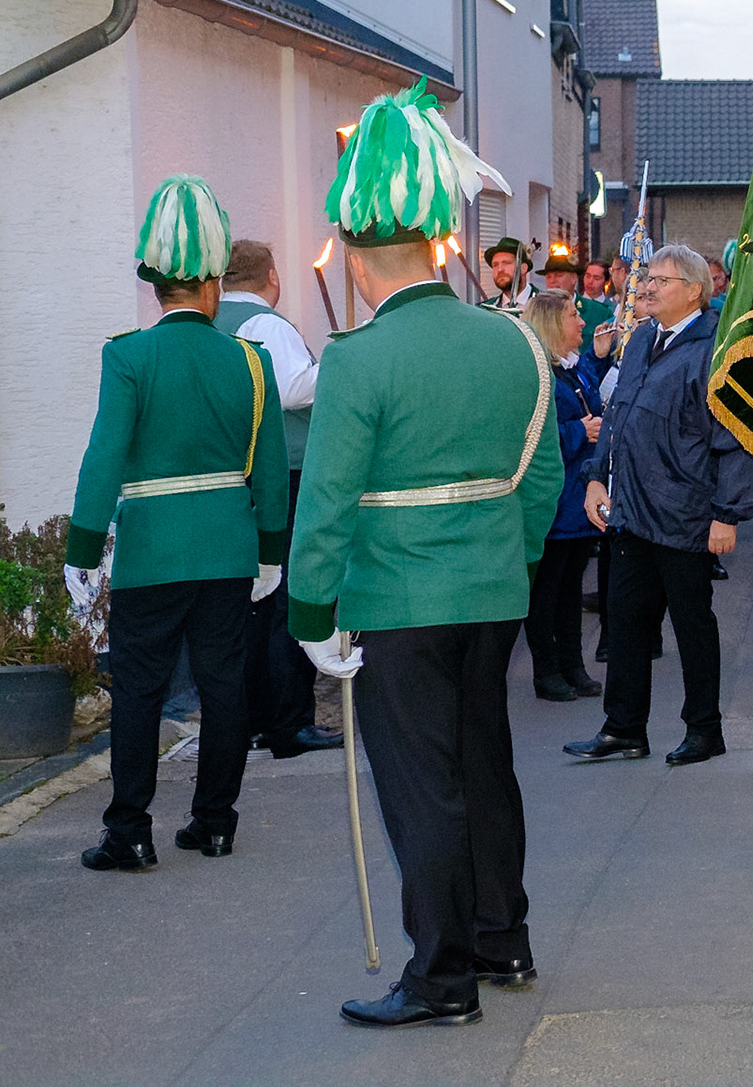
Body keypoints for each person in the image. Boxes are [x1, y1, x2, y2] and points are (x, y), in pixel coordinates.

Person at [289, 80, 561, 1029]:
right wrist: (511, 560)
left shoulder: (358, 358)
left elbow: (324, 503)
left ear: (360, 257)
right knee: (485, 764)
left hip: (399, 598)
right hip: (492, 591)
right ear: (440, 244)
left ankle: (442, 978)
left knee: (421, 787)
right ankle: (503, 937)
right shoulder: (512, 341)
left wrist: (311, 615)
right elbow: (541, 475)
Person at [65, 176, 289, 872]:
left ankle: (130, 830)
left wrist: (82, 546)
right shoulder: (251, 360)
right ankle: (215, 821)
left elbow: (105, 455)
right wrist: (272, 552)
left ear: (156, 287)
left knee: (138, 688)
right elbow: (272, 471)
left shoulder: (127, 355)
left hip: (152, 550)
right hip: (228, 547)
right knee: (224, 685)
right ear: (215, 281)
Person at [568, 246, 753, 767]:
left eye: (661, 280)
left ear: (695, 291)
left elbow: (736, 437)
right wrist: (596, 480)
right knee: (626, 621)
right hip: (631, 511)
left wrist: (726, 514)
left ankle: (705, 730)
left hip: (685, 516)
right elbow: (615, 417)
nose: (648, 287)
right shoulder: (639, 341)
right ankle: (623, 729)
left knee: (691, 625)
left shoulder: (714, 349)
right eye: (647, 278)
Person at [216, 239, 341, 759]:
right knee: (287, 598)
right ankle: (288, 723)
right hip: (284, 474)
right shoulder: (267, 325)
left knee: (250, 606)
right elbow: (290, 388)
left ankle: (253, 718)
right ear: (271, 275)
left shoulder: (211, 320)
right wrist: (339, 363)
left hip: (234, 478)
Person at [520, 290, 612, 703]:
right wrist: (580, 432)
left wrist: (597, 355)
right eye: (573, 315)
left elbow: (588, 397)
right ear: (553, 323)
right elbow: (532, 435)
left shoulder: (573, 369)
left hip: (579, 498)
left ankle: (574, 664)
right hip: (553, 502)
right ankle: (547, 669)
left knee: (572, 586)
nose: (581, 321)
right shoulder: (537, 375)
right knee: (547, 591)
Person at [539, 246, 613, 354]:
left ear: (574, 278)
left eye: (559, 275)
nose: (552, 281)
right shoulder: (540, 313)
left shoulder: (600, 313)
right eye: (548, 277)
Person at [481, 238, 532, 309]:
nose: (500, 270)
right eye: (495, 265)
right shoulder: (486, 310)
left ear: (523, 268)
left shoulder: (548, 305)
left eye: (506, 263)